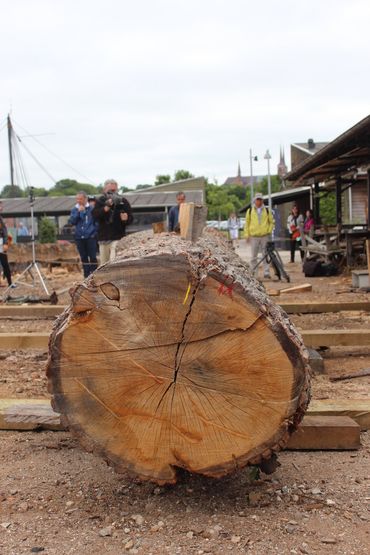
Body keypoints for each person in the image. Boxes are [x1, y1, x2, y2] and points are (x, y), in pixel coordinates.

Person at [92, 179, 133, 265]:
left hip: (118, 237)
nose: (112, 193)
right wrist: (105, 208)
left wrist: (125, 219)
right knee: (104, 264)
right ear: (104, 190)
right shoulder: (100, 201)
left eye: (114, 191)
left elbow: (131, 218)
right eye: (110, 191)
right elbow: (94, 215)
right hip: (103, 238)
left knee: (114, 261)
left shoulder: (123, 201)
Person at [244, 193, 275, 278]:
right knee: (254, 256)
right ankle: (254, 272)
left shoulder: (267, 210)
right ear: (255, 200)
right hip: (254, 237)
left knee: (265, 254)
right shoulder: (250, 211)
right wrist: (247, 235)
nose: (259, 201)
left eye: (260, 199)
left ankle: (266, 272)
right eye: (257, 199)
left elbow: (271, 222)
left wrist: (268, 231)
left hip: (264, 236)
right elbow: (246, 223)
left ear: (262, 200)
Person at [69, 191, 98, 278]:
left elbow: (96, 223)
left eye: (80, 199)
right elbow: (72, 221)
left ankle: (95, 275)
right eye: (77, 199)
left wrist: (94, 233)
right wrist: (78, 212)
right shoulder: (74, 209)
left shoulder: (92, 209)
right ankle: (86, 276)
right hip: (79, 237)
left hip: (90, 237)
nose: (78, 201)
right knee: (83, 257)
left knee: (92, 256)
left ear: (85, 199)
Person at [0, 201, 13, 287]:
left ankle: (10, 283)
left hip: (0, 242)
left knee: (5, 263)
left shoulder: (0, 218)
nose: (1, 208)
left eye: (1, 206)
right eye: (0, 206)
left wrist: (5, 243)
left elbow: (4, 232)